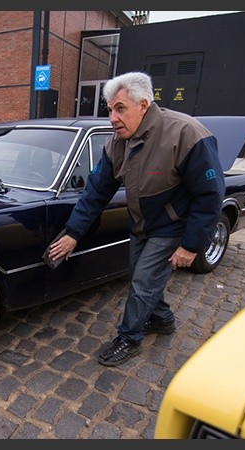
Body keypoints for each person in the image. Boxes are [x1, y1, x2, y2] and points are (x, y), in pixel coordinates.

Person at [48, 71, 225, 367]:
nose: (113, 118)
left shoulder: (185, 133)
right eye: (109, 110)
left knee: (143, 283)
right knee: (143, 277)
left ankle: (129, 338)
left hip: (172, 225)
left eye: (120, 109)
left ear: (143, 105)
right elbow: (95, 193)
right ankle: (163, 319)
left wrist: (192, 245)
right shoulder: (117, 143)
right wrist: (73, 233)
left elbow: (210, 194)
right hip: (142, 225)